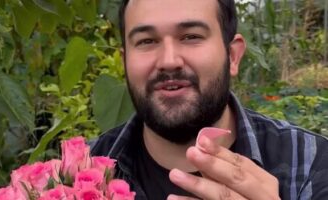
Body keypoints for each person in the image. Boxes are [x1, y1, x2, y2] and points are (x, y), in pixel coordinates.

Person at [89, 0, 328, 199]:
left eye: (191, 36)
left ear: (233, 56)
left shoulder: (310, 163)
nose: (168, 60)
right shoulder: (79, 170)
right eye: (146, 41)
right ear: (124, 62)